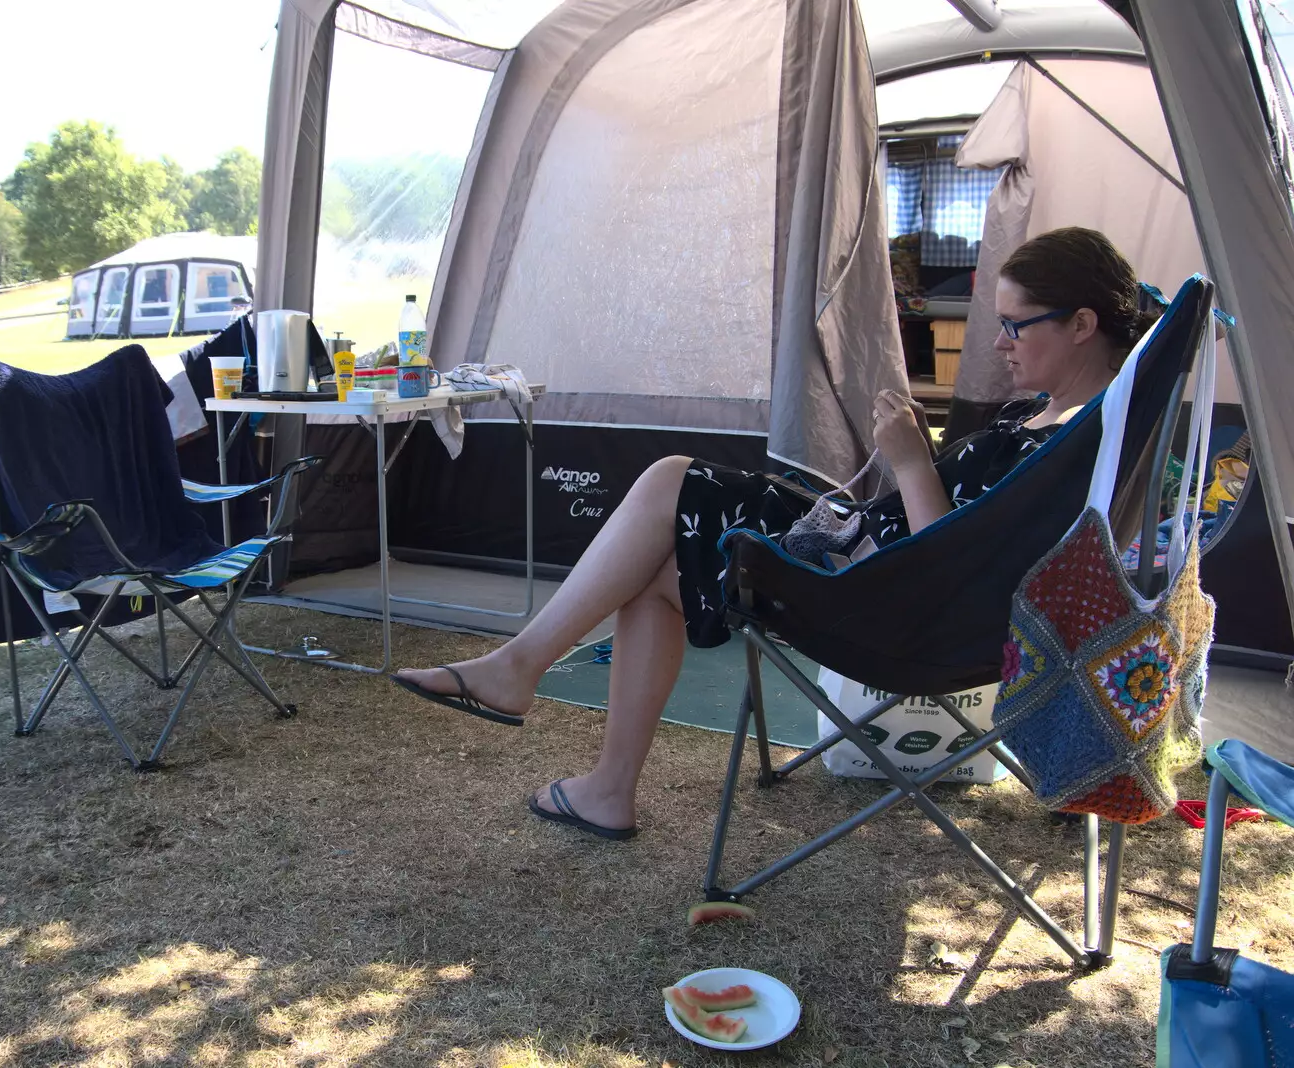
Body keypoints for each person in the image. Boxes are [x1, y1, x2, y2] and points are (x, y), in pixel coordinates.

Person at [392, 226, 1156, 840]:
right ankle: (603, 787)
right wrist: (906, 469)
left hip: (884, 601)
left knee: (668, 482)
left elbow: (963, 585)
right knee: (655, 566)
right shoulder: (1056, 423)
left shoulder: (1073, 447)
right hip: (868, 561)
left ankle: (522, 672)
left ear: (1082, 324)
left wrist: (914, 466)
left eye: (1016, 323)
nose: (999, 342)